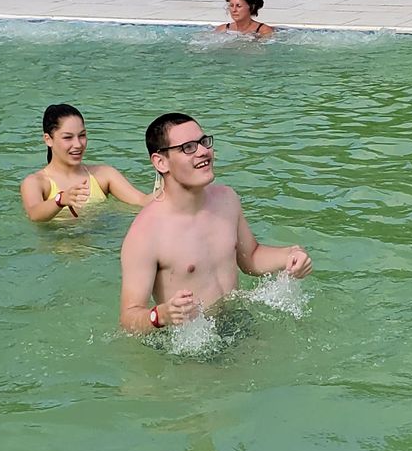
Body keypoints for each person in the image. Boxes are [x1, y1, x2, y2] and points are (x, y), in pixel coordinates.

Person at [119, 112, 311, 333]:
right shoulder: (145, 233)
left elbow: (251, 258)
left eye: (203, 142)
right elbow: (128, 317)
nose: (203, 151)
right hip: (188, 341)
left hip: (238, 323)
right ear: (161, 162)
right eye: (188, 147)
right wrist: (160, 315)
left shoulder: (227, 200)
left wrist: (290, 255)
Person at [20, 103, 151, 222]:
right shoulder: (36, 182)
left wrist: (163, 184)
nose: (78, 144)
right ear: (48, 139)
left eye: (82, 135)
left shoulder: (104, 175)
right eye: (68, 137)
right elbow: (34, 214)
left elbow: (141, 201)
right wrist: (61, 200)